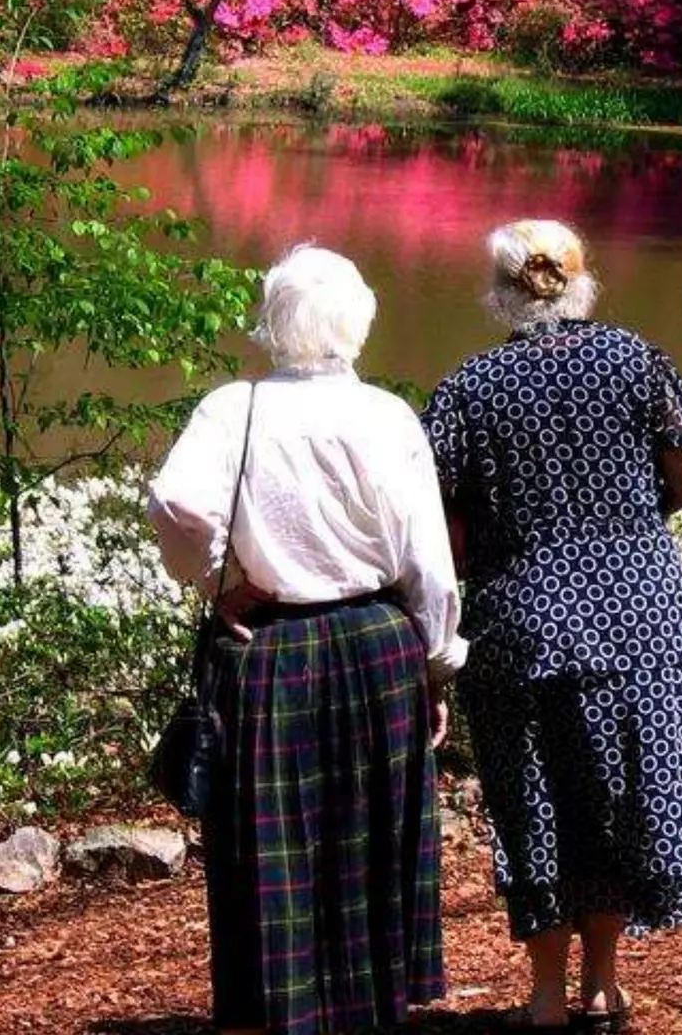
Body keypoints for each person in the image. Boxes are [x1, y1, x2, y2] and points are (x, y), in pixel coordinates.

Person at [149, 244, 466, 1035]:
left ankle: (273, 1013)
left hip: (272, 650)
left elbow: (177, 506)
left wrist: (218, 583)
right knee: (367, 855)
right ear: (359, 324)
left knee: (272, 855)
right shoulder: (388, 416)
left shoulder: (234, 407)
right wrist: (436, 669)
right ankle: (369, 1011)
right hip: (379, 649)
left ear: (272, 324)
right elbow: (429, 564)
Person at [421, 219, 682, 1031]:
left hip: (525, 622)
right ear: (583, 282)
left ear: (502, 291)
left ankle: (548, 997)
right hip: (645, 618)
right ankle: (602, 986)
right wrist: (635, 521)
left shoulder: (467, 388)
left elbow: (436, 520)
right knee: (618, 802)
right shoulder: (636, 359)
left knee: (537, 805)